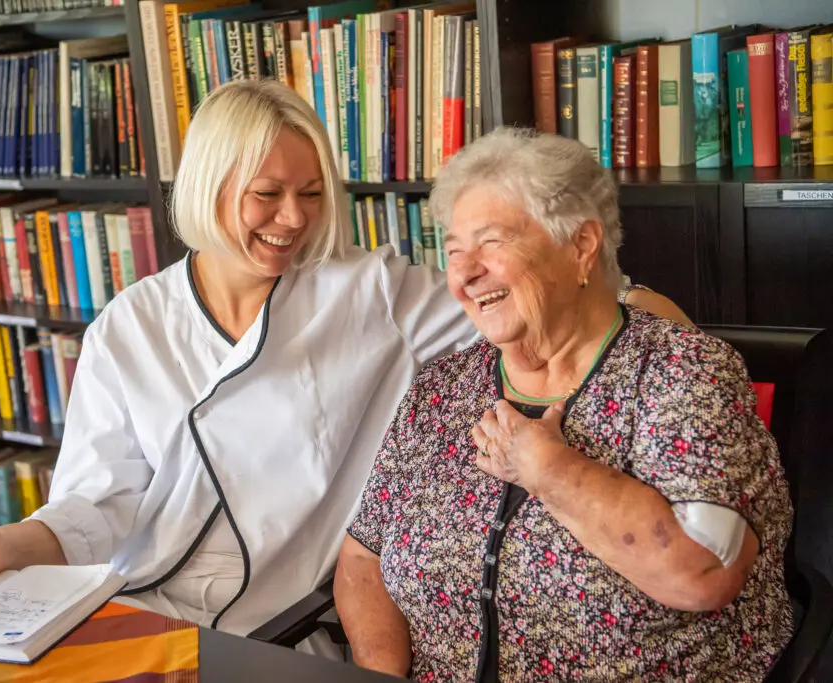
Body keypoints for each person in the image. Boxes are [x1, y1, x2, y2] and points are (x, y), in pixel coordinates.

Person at [0, 81, 690, 645]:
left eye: (311, 193)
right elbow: (97, 503)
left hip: (280, 621)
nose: (294, 220)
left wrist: (675, 341)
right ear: (211, 186)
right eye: (268, 194)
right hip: (136, 607)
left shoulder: (369, 292)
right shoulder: (131, 324)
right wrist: (6, 545)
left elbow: (547, 307)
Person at [334, 128, 793, 681]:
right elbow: (363, 557)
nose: (464, 273)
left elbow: (702, 571)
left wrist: (546, 468)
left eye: (491, 243)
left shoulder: (684, 373)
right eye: (454, 251)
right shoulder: (441, 390)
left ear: (580, 245)